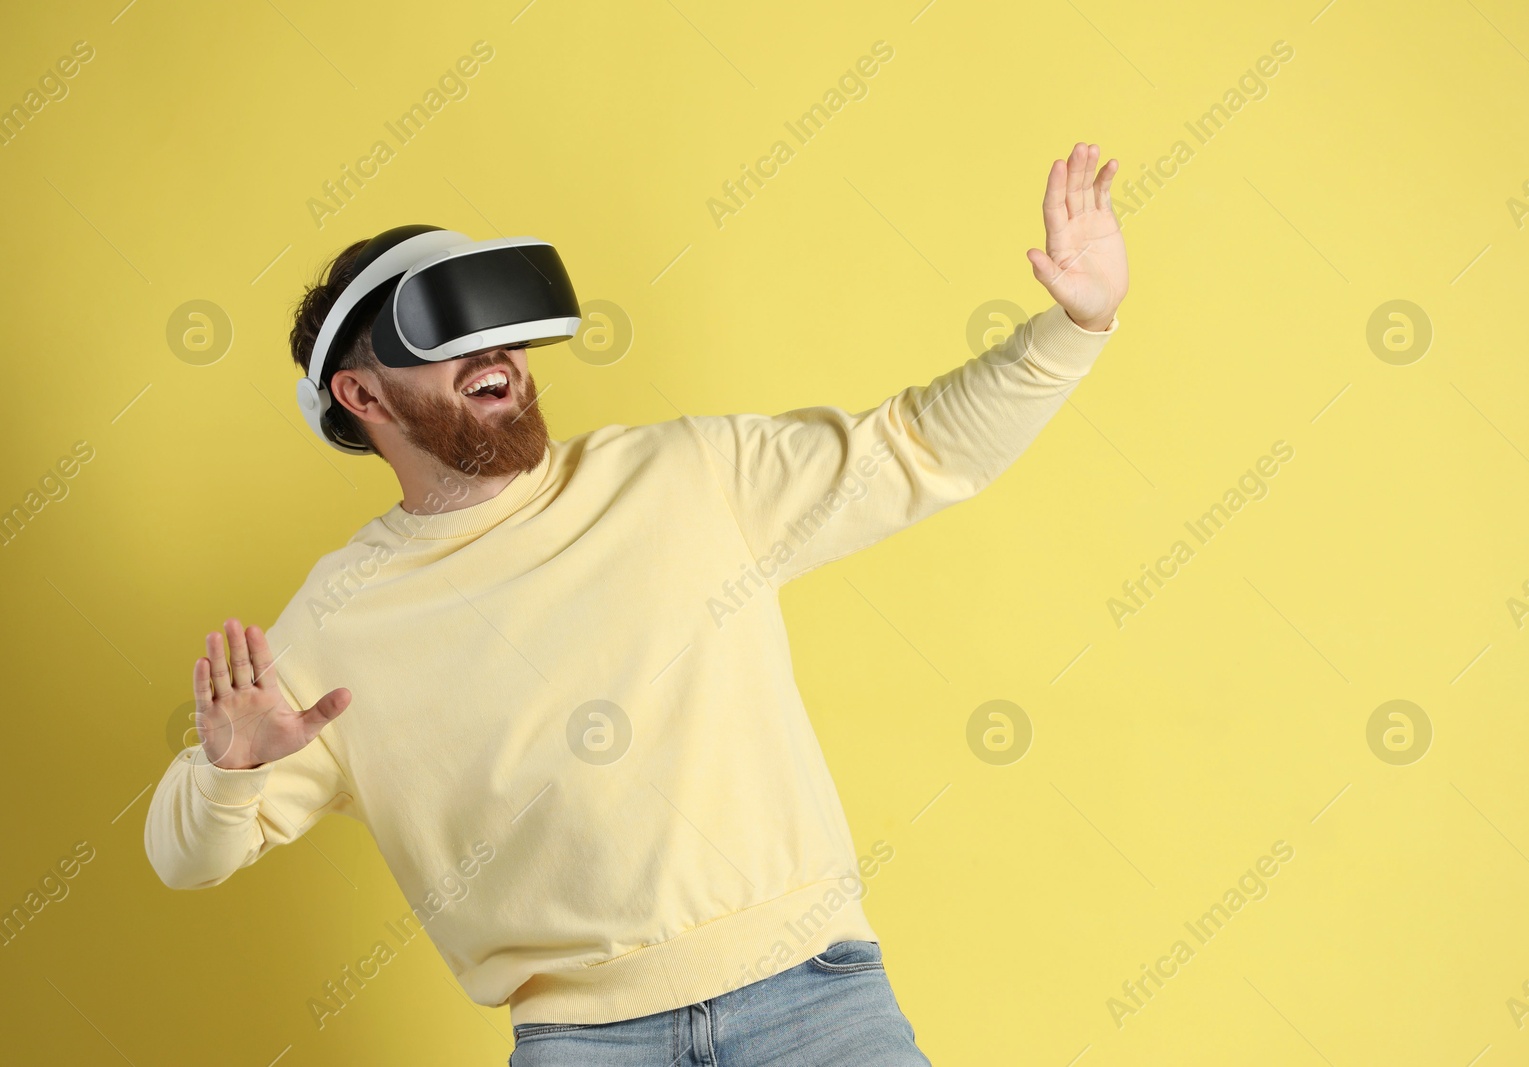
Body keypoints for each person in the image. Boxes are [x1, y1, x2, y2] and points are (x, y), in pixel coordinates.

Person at [145, 142, 1127, 1066]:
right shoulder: (339, 618)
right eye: (449, 333)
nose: (500, 352)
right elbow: (186, 859)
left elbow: (917, 448)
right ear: (361, 396)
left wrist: (1073, 328)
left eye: (503, 325)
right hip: (581, 1041)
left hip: (815, 996)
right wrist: (228, 772)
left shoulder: (682, 475)